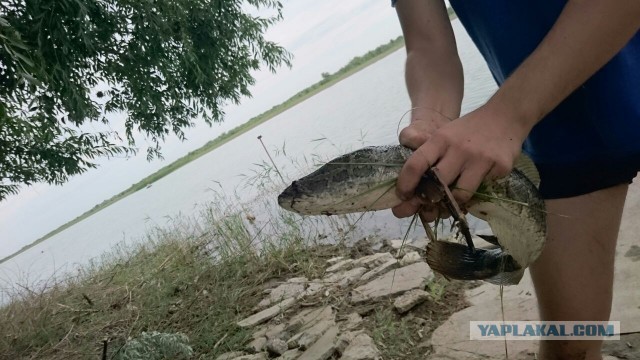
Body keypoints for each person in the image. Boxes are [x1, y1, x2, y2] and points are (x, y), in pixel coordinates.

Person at [390, 1, 640, 359]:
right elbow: (427, 45)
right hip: (556, 129)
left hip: (524, 109)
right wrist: (429, 130)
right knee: (571, 343)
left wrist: (506, 115)